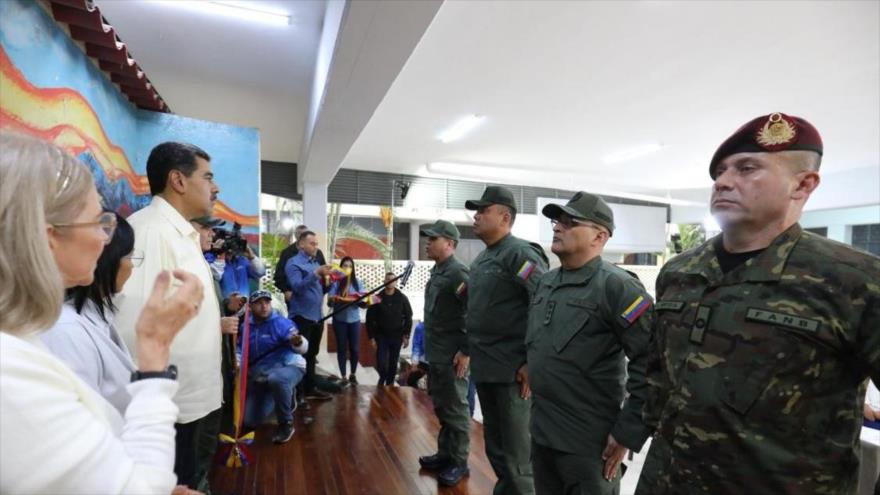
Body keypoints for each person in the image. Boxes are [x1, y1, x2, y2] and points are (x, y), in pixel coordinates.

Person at [636, 113, 880, 494]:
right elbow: (657, 377)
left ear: (803, 185)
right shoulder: (681, 272)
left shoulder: (855, 280)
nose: (723, 181)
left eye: (747, 168)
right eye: (720, 171)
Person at [0, 132, 202, 494]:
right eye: (98, 223)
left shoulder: (28, 334)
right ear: (47, 236)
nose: (104, 239)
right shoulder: (15, 367)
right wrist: (154, 355)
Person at [115, 141, 224, 490]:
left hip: (193, 397)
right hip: (172, 408)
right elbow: (136, 329)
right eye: (207, 177)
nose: (215, 187)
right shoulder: (149, 232)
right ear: (178, 180)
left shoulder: (182, 233)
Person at [528, 192, 654, 494]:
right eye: (557, 221)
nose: (557, 227)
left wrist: (628, 431)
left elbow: (652, 361)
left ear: (599, 236)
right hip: (542, 429)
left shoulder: (617, 286)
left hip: (589, 440)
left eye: (570, 222)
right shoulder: (547, 281)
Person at [464, 186, 549, 495]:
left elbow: (542, 302)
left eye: (483, 210)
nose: (476, 215)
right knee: (497, 450)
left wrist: (532, 362)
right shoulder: (485, 258)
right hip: (487, 368)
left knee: (518, 458)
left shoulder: (519, 254)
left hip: (513, 372)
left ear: (505, 216)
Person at [41, 212, 141, 414]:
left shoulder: (95, 312)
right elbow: (82, 417)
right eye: (129, 256)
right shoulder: (65, 331)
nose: (131, 265)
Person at [416, 220, 472, 486]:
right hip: (437, 354)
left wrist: (466, 351)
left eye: (433, 239)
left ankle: (459, 462)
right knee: (442, 407)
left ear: (449, 244)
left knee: (457, 410)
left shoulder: (458, 273)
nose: (428, 242)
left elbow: (476, 313)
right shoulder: (439, 272)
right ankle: (445, 453)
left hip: (453, 357)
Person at [237, 290, 308, 443]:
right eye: (259, 303)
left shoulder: (282, 323)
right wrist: (238, 362)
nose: (264, 307)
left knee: (277, 379)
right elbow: (240, 349)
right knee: (249, 421)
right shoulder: (246, 327)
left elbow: (301, 347)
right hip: (261, 376)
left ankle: (286, 424)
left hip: (289, 368)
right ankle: (283, 397)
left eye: (267, 302)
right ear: (250, 307)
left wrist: (298, 342)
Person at [285, 230, 333, 400]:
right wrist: (316, 274)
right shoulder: (293, 263)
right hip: (301, 316)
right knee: (300, 355)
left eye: (316, 244)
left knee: (312, 354)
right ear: (301, 244)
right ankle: (298, 393)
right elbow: (297, 287)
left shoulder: (315, 263)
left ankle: (310, 388)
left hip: (317, 316)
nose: (315, 247)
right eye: (312, 243)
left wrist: (329, 279)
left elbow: (318, 289)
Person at [366, 271, 414, 387]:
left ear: (396, 282)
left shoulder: (402, 298)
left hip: (397, 335)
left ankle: (390, 384)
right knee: (381, 363)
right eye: (388, 279)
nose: (390, 282)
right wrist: (371, 337)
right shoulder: (376, 298)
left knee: (393, 363)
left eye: (393, 280)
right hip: (381, 335)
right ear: (384, 281)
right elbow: (369, 319)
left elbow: (409, 316)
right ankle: (382, 377)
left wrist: (406, 335)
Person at [328, 256, 364, 384]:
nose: (347, 268)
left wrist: (359, 300)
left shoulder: (358, 283)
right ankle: (343, 376)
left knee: (354, 348)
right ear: (340, 267)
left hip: (354, 320)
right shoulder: (335, 283)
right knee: (341, 348)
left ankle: (353, 374)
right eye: (345, 265)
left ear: (353, 268)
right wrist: (335, 299)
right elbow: (330, 300)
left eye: (350, 265)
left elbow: (362, 300)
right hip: (339, 320)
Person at [274, 224, 326, 296]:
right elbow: (279, 275)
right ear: (296, 236)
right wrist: (285, 290)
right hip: (295, 295)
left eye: (306, 234)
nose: (303, 236)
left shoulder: (318, 253)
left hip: (315, 296)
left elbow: (324, 273)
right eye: (300, 234)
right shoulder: (287, 253)